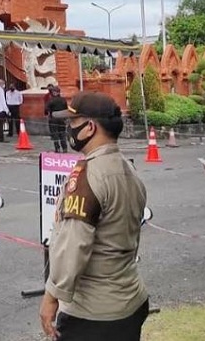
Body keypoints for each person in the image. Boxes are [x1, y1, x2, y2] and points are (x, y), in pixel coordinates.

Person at [39, 92, 149, 341]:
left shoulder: (87, 175)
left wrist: (51, 297)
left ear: (90, 127)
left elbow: (73, 246)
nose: (68, 129)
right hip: (131, 300)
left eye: (72, 123)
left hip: (93, 315)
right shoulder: (129, 170)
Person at [44, 86, 68, 153]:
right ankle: (65, 148)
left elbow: (46, 109)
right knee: (62, 133)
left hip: (53, 118)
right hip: (62, 118)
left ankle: (57, 148)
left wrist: (47, 114)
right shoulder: (63, 100)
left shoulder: (51, 100)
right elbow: (66, 109)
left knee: (55, 134)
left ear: (54, 92)